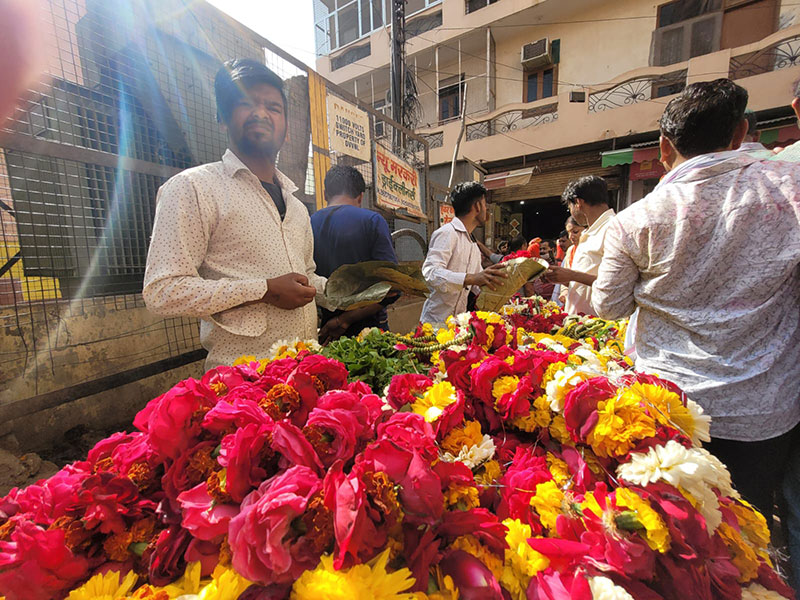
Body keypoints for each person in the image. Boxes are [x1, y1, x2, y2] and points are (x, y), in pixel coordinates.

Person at [591, 78, 800, 528]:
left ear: (664, 147)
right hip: (762, 410)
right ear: (740, 133)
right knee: (749, 530)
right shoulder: (790, 189)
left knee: (678, 530)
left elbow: (607, 306)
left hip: (670, 406)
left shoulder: (637, 219)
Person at [143, 59, 325, 368]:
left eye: (273, 107)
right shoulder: (193, 188)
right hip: (242, 384)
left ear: (286, 129)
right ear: (222, 119)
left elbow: (306, 277)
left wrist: (353, 290)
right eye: (246, 103)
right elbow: (162, 291)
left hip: (307, 372)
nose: (261, 113)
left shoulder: (296, 206)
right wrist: (264, 290)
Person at [311, 165, 398, 343]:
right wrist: (344, 320)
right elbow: (393, 288)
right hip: (369, 332)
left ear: (325, 194)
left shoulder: (309, 223)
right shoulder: (372, 221)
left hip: (326, 331)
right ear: (360, 196)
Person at [420, 182, 507, 326]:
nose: (486, 209)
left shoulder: (472, 243)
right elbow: (430, 273)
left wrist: (503, 289)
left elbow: (478, 283)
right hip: (435, 324)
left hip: (458, 324)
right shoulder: (447, 233)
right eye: (485, 205)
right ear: (477, 206)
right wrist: (470, 278)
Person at [544, 176, 614, 315]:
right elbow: (583, 284)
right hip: (580, 319)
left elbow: (616, 284)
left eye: (569, 207)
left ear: (578, 203)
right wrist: (560, 277)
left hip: (600, 322)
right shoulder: (590, 232)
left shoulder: (613, 228)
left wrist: (572, 275)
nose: (571, 212)